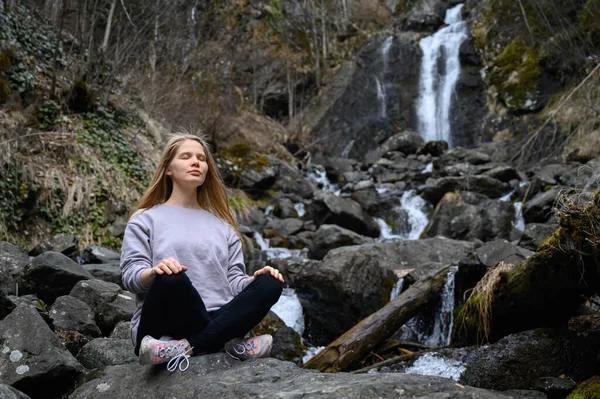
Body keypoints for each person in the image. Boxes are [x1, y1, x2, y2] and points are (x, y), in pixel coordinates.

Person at [120, 131, 284, 372]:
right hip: (162, 324)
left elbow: (232, 282)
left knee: (271, 282)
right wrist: (154, 272)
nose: (196, 162)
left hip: (219, 316)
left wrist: (253, 281)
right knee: (171, 277)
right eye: (186, 156)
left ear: (207, 170)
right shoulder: (145, 219)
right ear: (168, 169)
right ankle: (227, 343)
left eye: (201, 158)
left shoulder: (224, 227)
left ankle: (190, 346)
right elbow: (130, 276)